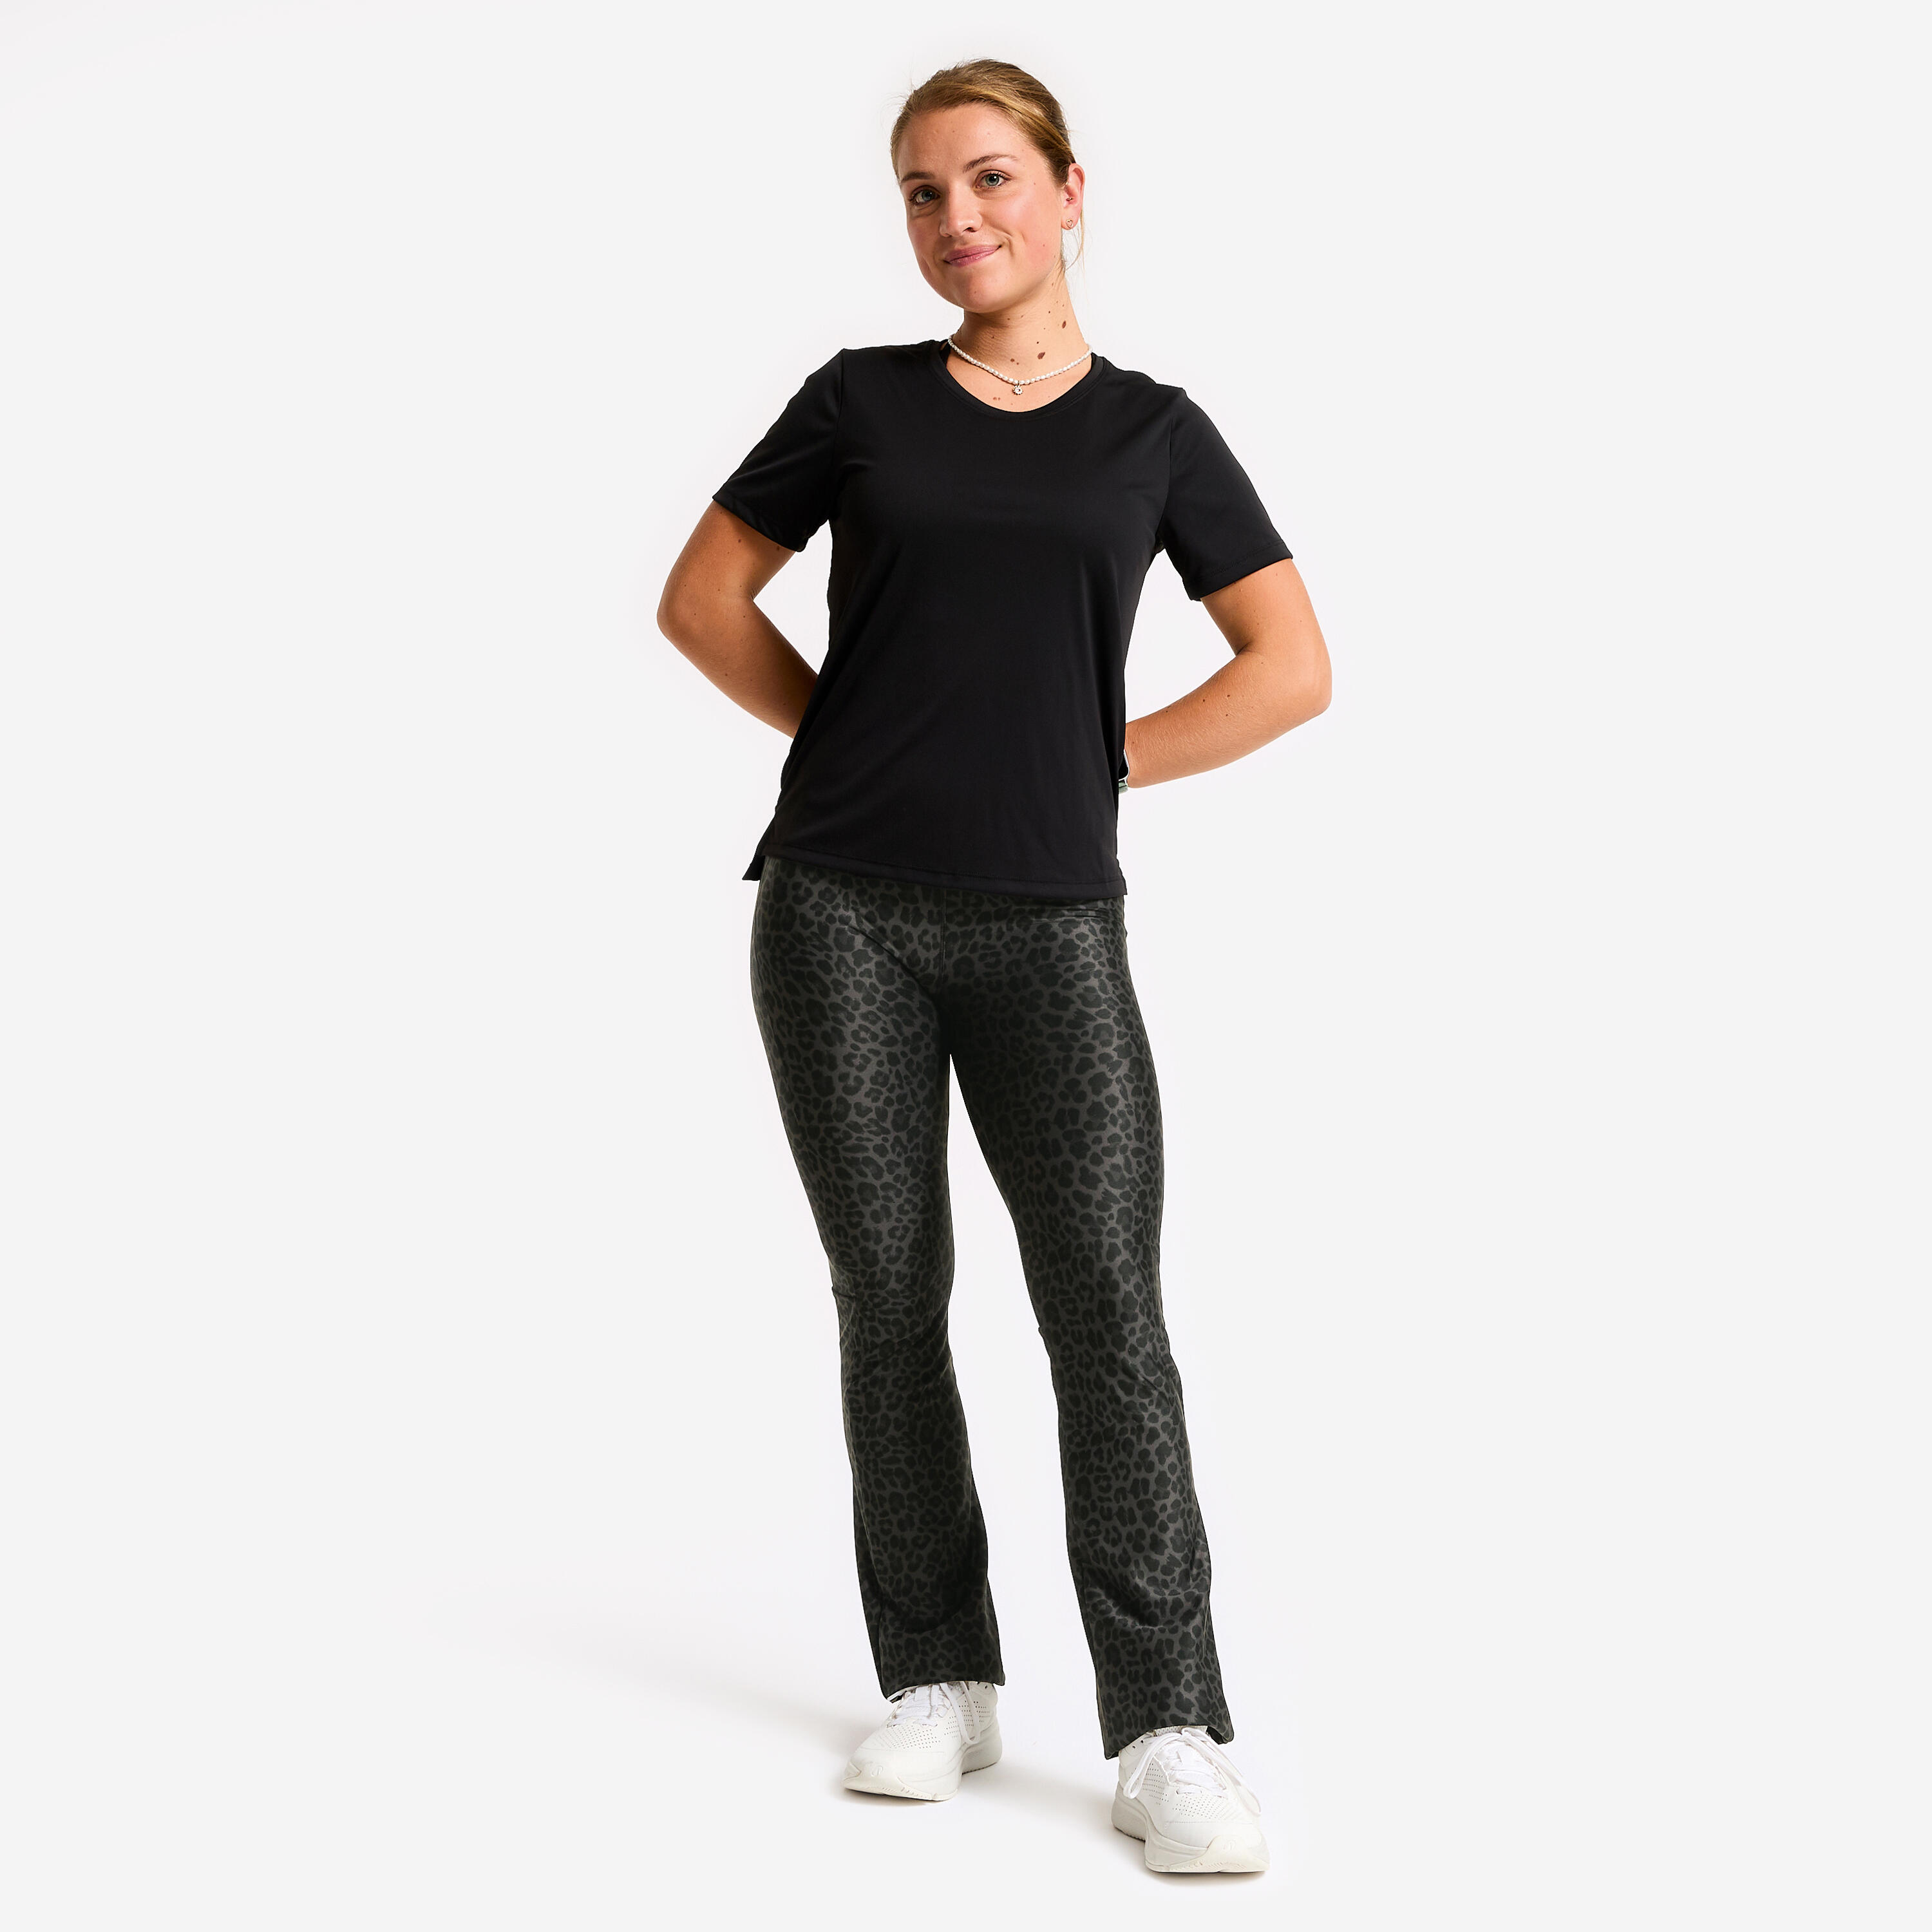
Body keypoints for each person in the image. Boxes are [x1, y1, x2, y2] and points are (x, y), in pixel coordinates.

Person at [658, 57, 1331, 1875]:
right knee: (889, 1297)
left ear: (1067, 189)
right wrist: (851, 747)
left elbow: (1290, 665)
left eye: (990, 179)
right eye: (922, 192)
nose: (958, 219)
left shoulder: (1153, 433)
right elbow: (702, 600)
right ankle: (940, 1679)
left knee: (1106, 1308)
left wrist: (1100, 759)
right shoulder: (859, 402)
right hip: (840, 917)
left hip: (1051, 928)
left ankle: (1168, 1725)